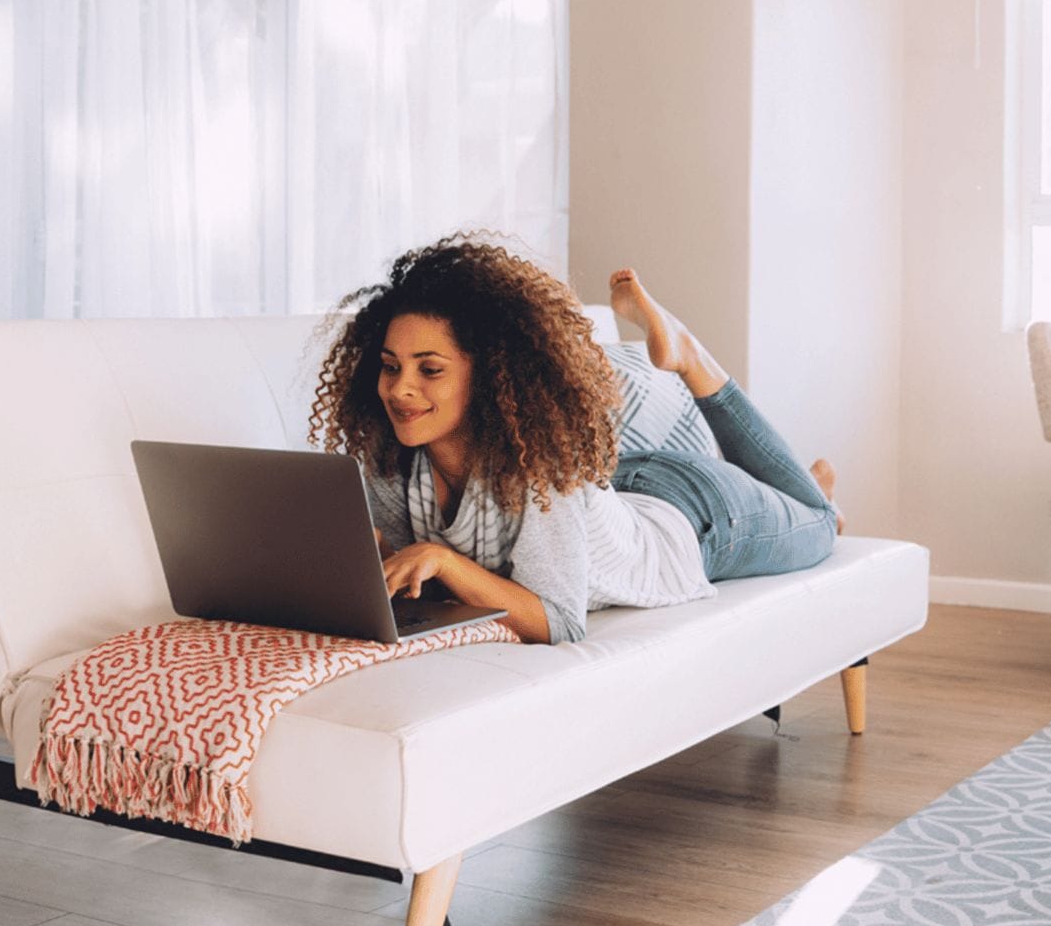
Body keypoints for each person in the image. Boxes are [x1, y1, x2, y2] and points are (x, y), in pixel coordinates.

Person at [308, 234, 842, 644]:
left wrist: (445, 561)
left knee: (818, 525)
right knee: (806, 503)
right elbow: (410, 573)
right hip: (621, 484)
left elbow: (561, 621)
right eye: (389, 365)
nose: (400, 389)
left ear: (489, 375)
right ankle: (801, 490)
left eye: (430, 370)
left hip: (696, 522)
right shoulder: (389, 459)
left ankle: (694, 361)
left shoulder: (541, 466)